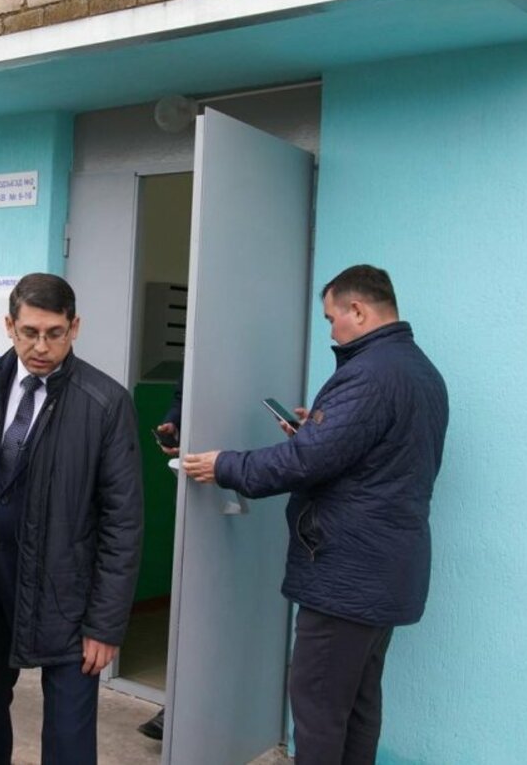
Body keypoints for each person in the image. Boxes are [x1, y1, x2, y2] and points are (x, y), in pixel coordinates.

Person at [182, 265, 448, 765]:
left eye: (331, 319)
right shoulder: (418, 370)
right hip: (385, 569)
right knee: (359, 704)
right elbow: (373, 454)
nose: (331, 331)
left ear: (358, 310)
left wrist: (225, 466)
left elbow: (305, 462)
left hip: (348, 574)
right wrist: (319, 431)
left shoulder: (369, 375)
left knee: (319, 707)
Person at [0, 273, 143, 765]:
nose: (41, 346)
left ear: (74, 328)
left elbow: (123, 522)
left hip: (68, 600)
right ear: (9, 326)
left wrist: (105, 624)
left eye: (55, 333)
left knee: (68, 734)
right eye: (29, 332)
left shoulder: (105, 403)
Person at [137, 376, 182, 742]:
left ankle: (183, 709)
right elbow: (185, 393)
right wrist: (174, 421)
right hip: (196, 488)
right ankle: (179, 708)